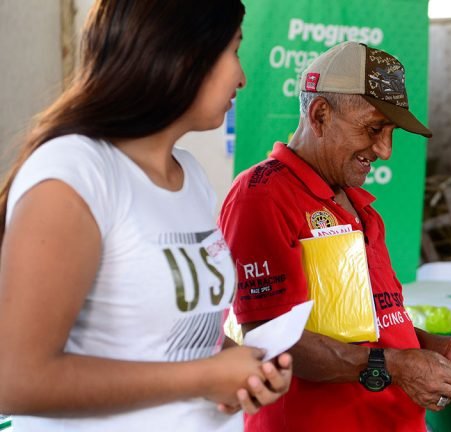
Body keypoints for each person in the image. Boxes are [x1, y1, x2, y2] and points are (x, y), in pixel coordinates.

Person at [0, 1, 292, 430]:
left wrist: (242, 364)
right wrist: (203, 377)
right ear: (183, 53)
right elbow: (16, 379)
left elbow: (172, 341)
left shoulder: (190, 175)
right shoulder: (76, 172)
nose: (242, 76)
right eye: (234, 49)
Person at [218, 41, 451, 432]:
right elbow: (270, 342)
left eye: (390, 133)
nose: (385, 150)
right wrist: (394, 366)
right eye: (373, 129)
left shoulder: (361, 208)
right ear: (320, 115)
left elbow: (375, 324)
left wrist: (435, 347)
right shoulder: (262, 194)